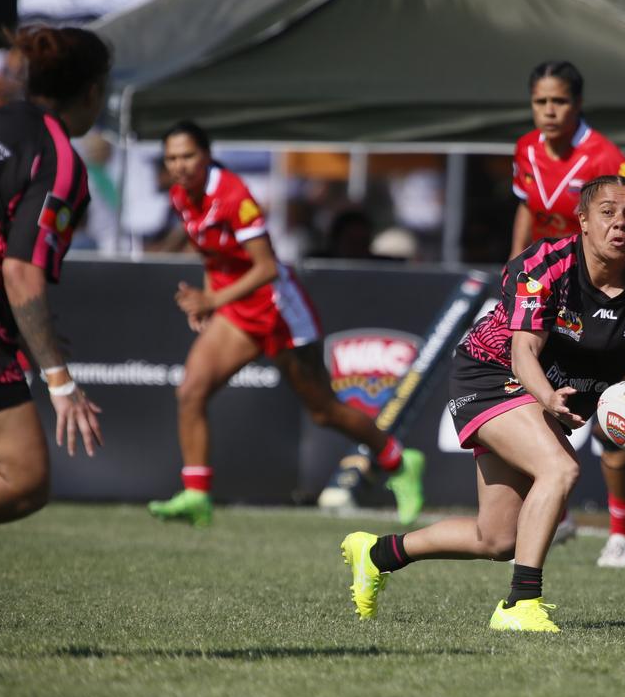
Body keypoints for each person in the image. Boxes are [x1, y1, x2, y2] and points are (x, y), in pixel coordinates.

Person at [341, 175, 625, 632]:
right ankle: (520, 604)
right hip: (492, 375)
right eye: (607, 213)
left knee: (498, 537)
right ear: (583, 221)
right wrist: (546, 397)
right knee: (561, 468)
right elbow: (522, 350)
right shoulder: (544, 264)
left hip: (546, 394)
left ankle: (375, 553)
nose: (620, 224)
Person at [146, 121, 424, 528]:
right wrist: (209, 301)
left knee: (324, 412)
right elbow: (213, 256)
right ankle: (196, 496)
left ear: (206, 155)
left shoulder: (233, 195)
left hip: (278, 313)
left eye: (188, 156)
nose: (180, 165)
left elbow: (267, 268)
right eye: (172, 158)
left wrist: (212, 299)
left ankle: (399, 460)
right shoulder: (181, 196)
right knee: (190, 391)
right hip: (237, 311)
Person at [0, 25, 108, 561]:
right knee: (22, 479)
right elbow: (20, 271)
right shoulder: (56, 158)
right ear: (91, 92)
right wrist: (60, 383)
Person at [511, 60, 625, 567]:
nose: (548, 111)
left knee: (610, 421)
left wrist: (604, 278)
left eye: (558, 101)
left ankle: (621, 533)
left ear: (577, 104)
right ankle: (557, 517)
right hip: (546, 300)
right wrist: (514, 272)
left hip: (602, 302)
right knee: (536, 408)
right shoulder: (525, 150)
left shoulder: (605, 156)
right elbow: (527, 213)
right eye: (540, 102)